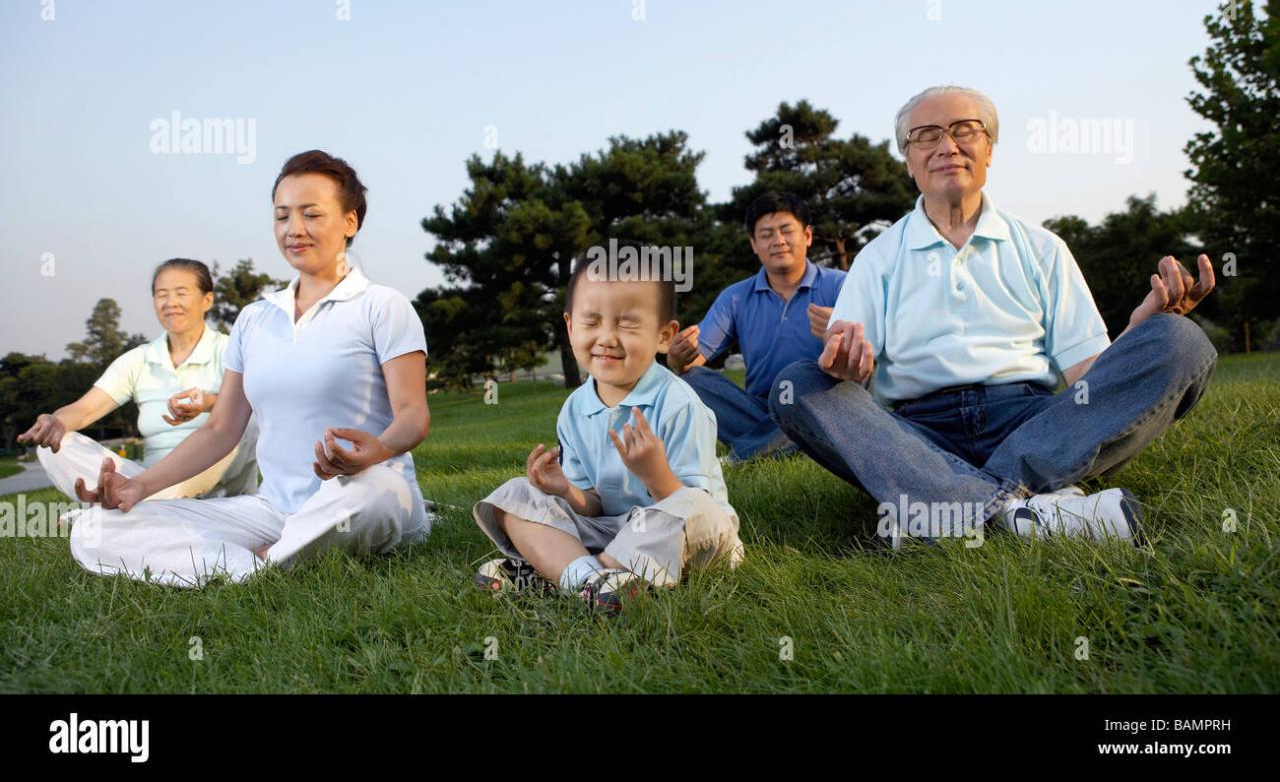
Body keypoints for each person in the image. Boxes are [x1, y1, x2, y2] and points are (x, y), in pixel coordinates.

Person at [770, 85, 1218, 545]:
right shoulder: (877, 258)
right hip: (917, 435)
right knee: (797, 385)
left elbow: (1088, 377)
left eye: (965, 130)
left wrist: (1143, 327)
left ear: (989, 149)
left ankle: (939, 506)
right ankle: (1025, 511)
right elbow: (850, 377)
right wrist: (848, 369)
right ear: (908, 158)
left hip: (1035, 423)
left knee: (1180, 340)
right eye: (926, 135)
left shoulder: (1043, 248)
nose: (947, 146)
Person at [67, 150, 433, 586]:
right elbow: (220, 430)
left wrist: (378, 449)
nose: (294, 230)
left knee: (378, 493)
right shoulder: (255, 318)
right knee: (95, 528)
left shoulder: (382, 306)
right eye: (282, 217)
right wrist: (139, 487)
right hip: (271, 510)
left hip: (364, 497)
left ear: (350, 222)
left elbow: (413, 415)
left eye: (311, 215)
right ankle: (260, 563)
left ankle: (257, 559)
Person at [473, 243, 744, 613]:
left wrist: (655, 473)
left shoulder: (679, 403)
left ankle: (559, 573)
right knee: (517, 495)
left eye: (628, 323)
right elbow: (594, 505)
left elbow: (691, 508)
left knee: (690, 507)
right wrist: (566, 490)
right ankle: (593, 580)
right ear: (570, 326)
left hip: (693, 536)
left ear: (664, 336)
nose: (606, 338)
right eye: (591, 321)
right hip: (615, 530)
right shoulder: (575, 408)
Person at [18, 259, 259, 502]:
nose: (170, 303)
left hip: (218, 493)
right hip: (146, 481)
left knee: (243, 422)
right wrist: (57, 421)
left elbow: (258, 406)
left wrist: (210, 403)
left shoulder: (231, 350)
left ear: (207, 300)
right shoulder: (139, 359)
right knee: (55, 446)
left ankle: (136, 503)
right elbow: (85, 409)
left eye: (181, 293)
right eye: (161, 294)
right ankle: (134, 499)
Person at [667, 192, 845, 462]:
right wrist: (676, 358)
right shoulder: (736, 297)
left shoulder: (840, 285)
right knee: (691, 381)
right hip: (760, 409)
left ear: (807, 235)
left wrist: (840, 332)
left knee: (806, 381)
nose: (778, 241)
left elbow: (870, 351)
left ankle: (743, 456)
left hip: (821, 401)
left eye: (787, 230)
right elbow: (691, 362)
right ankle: (791, 442)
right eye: (766, 234)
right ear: (754, 244)